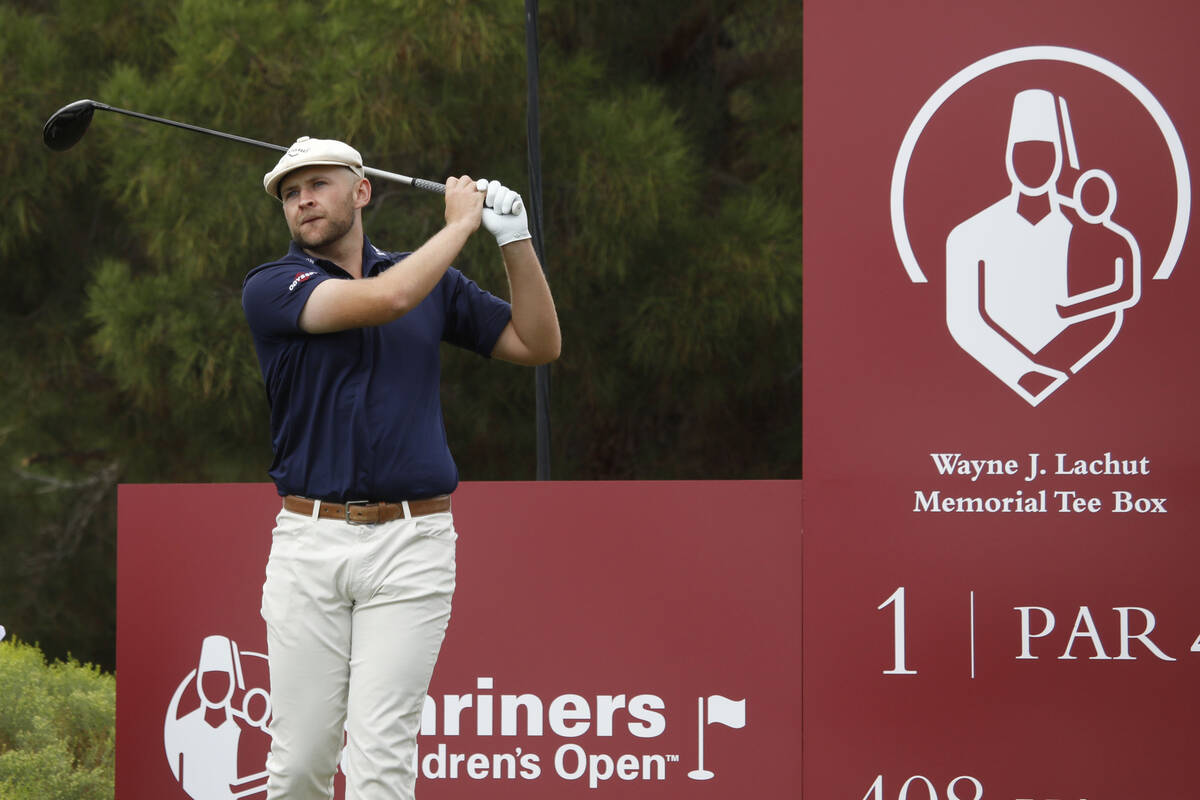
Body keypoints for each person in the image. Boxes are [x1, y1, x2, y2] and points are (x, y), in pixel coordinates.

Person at [241, 136, 560, 800]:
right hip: (311, 543)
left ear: (361, 190)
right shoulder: (274, 287)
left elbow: (538, 342)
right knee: (300, 763)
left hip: (413, 547)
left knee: (382, 760)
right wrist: (460, 224)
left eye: (318, 184)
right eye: (290, 192)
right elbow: (384, 302)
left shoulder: (431, 280)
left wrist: (513, 240)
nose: (302, 199)